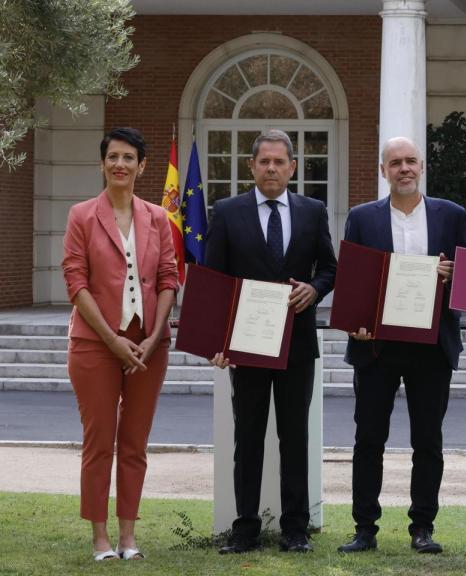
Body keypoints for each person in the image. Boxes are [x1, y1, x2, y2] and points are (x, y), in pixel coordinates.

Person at [335, 137, 466, 555]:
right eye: (396, 163)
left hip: (432, 345)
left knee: (428, 440)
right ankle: (364, 529)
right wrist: (355, 324)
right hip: (377, 346)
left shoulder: (451, 215)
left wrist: (453, 274)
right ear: (383, 170)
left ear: (422, 166)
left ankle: (422, 527)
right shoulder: (362, 218)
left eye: (411, 161)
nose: (404, 169)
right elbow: (352, 278)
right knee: (368, 439)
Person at [205, 129, 337, 554]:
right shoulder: (226, 212)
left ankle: (295, 530)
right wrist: (218, 341)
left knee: (294, 438)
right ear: (252, 166)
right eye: (264, 161)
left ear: (293, 167)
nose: (272, 168)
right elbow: (214, 282)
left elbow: (330, 269)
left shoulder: (313, 210)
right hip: (246, 345)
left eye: (280, 162)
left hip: (296, 344)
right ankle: (244, 530)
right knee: (248, 438)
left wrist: (314, 290)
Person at [62, 127, 179, 561]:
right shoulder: (81, 216)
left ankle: (128, 537)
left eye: (129, 157)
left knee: (134, 444)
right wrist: (112, 339)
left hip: (149, 345)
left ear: (142, 165)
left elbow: (169, 278)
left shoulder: (157, 218)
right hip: (95, 344)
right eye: (113, 157)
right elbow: (76, 281)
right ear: (102, 163)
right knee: (99, 443)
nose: (120, 165)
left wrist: (151, 338)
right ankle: (100, 539)